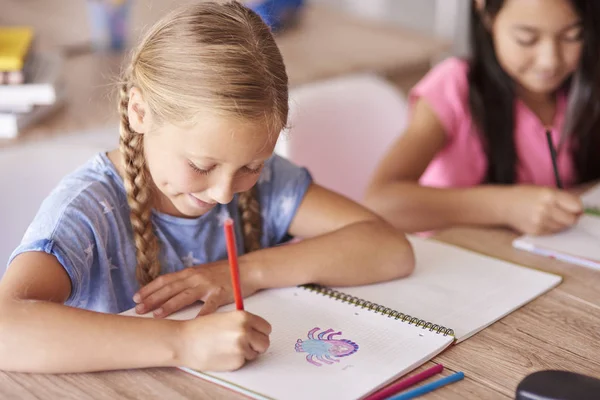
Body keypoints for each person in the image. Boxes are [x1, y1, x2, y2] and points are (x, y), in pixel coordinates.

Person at [0, 1, 414, 374]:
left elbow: (389, 249)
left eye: (251, 166)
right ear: (140, 112)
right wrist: (183, 343)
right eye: (201, 166)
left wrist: (247, 273)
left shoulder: (265, 184)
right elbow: (6, 327)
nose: (223, 194)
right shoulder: (89, 209)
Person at [365, 0, 600, 235]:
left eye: (572, 35)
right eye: (526, 38)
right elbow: (381, 203)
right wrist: (505, 207)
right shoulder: (454, 88)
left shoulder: (587, 88)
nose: (550, 60)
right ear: (486, 14)